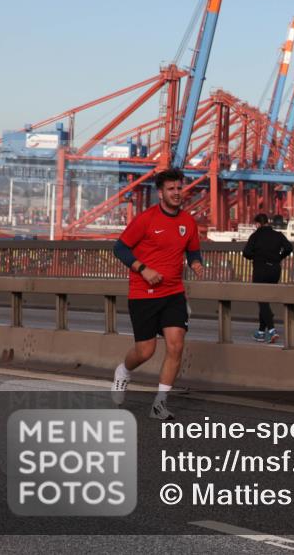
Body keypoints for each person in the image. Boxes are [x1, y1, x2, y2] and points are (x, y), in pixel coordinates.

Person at [110, 168, 204, 421]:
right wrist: (143, 269)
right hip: (143, 293)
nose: (177, 193)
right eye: (171, 189)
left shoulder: (188, 222)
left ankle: (159, 404)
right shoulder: (146, 219)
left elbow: (193, 251)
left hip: (174, 293)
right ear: (160, 193)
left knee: (176, 345)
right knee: (145, 351)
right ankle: (123, 372)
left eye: (179, 188)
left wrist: (196, 263)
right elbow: (120, 248)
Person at [243, 213, 294, 343]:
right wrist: (279, 257)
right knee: (264, 301)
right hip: (275, 270)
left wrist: (255, 256)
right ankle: (261, 331)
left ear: (258, 224)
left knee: (262, 300)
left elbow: (246, 253)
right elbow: (289, 248)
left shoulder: (255, 236)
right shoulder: (278, 235)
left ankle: (271, 330)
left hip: (260, 270)